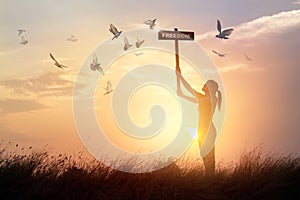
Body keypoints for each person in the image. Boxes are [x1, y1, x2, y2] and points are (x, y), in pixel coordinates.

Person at [175, 67, 222, 175]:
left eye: (205, 85)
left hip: (208, 130)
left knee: (209, 156)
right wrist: (181, 92)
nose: (203, 86)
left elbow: (191, 90)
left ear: (210, 88)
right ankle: (209, 177)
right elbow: (189, 94)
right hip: (201, 129)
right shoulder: (203, 98)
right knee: (204, 156)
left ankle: (211, 178)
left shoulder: (211, 99)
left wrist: (180, 76)